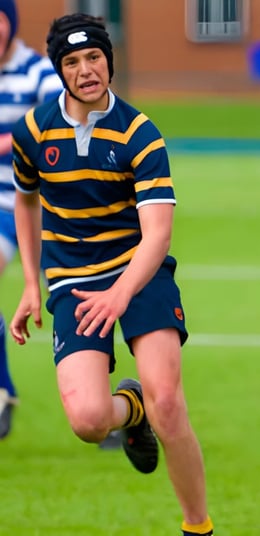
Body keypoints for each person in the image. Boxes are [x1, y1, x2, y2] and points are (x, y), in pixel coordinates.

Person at [9, 14, 213, 534]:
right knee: (89, 422)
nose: (86, 70)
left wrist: (121, 293)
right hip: (73, 282)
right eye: (73, 62)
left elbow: (158, 235)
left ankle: (198, 526)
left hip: (139, 272)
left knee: (169, 403)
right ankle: (131, 410)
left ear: (109, 60)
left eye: (94, 57)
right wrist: (33, 284)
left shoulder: (139, 133)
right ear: (59, 70)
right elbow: (27, 203)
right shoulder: (32, 132)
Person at [0, 0, 63, 440]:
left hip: (49, 206)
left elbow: (58, 128)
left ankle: (127, 403)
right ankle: (3, 391)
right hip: (3, 206)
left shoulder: (40, 74)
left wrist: (10, 141)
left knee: (81, 302)